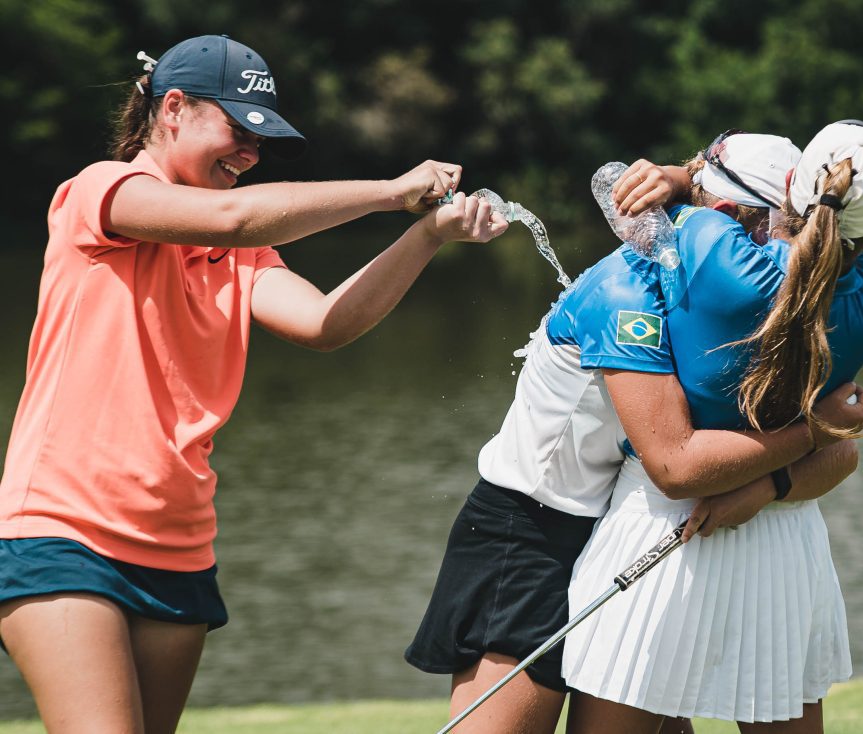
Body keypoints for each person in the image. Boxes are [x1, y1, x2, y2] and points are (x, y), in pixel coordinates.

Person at [0, 35, 507, 734]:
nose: (249, 153)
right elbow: (233, 219)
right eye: (238, 130)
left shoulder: (237, 253)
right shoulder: (100, 192)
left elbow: (324, 323)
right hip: (63, 529)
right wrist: (392, 193)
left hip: (178, 542)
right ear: (173, 108)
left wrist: (426, 237)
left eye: (259, 141)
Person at [405, 131, 863, 734]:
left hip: (629, 527)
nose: (786, 259)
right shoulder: (626, 291)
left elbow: (841, 457)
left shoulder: (734, 311)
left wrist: (768, 484)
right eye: (777, 235)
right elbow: (678, 466)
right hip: (531, 538)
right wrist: (814, 428)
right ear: (728, 221)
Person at [562, 121, 863, 734]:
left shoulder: (714, 251)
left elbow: (652, 199)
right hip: (784, 533)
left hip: (664, 522)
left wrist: (679, 174)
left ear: (793, 187)